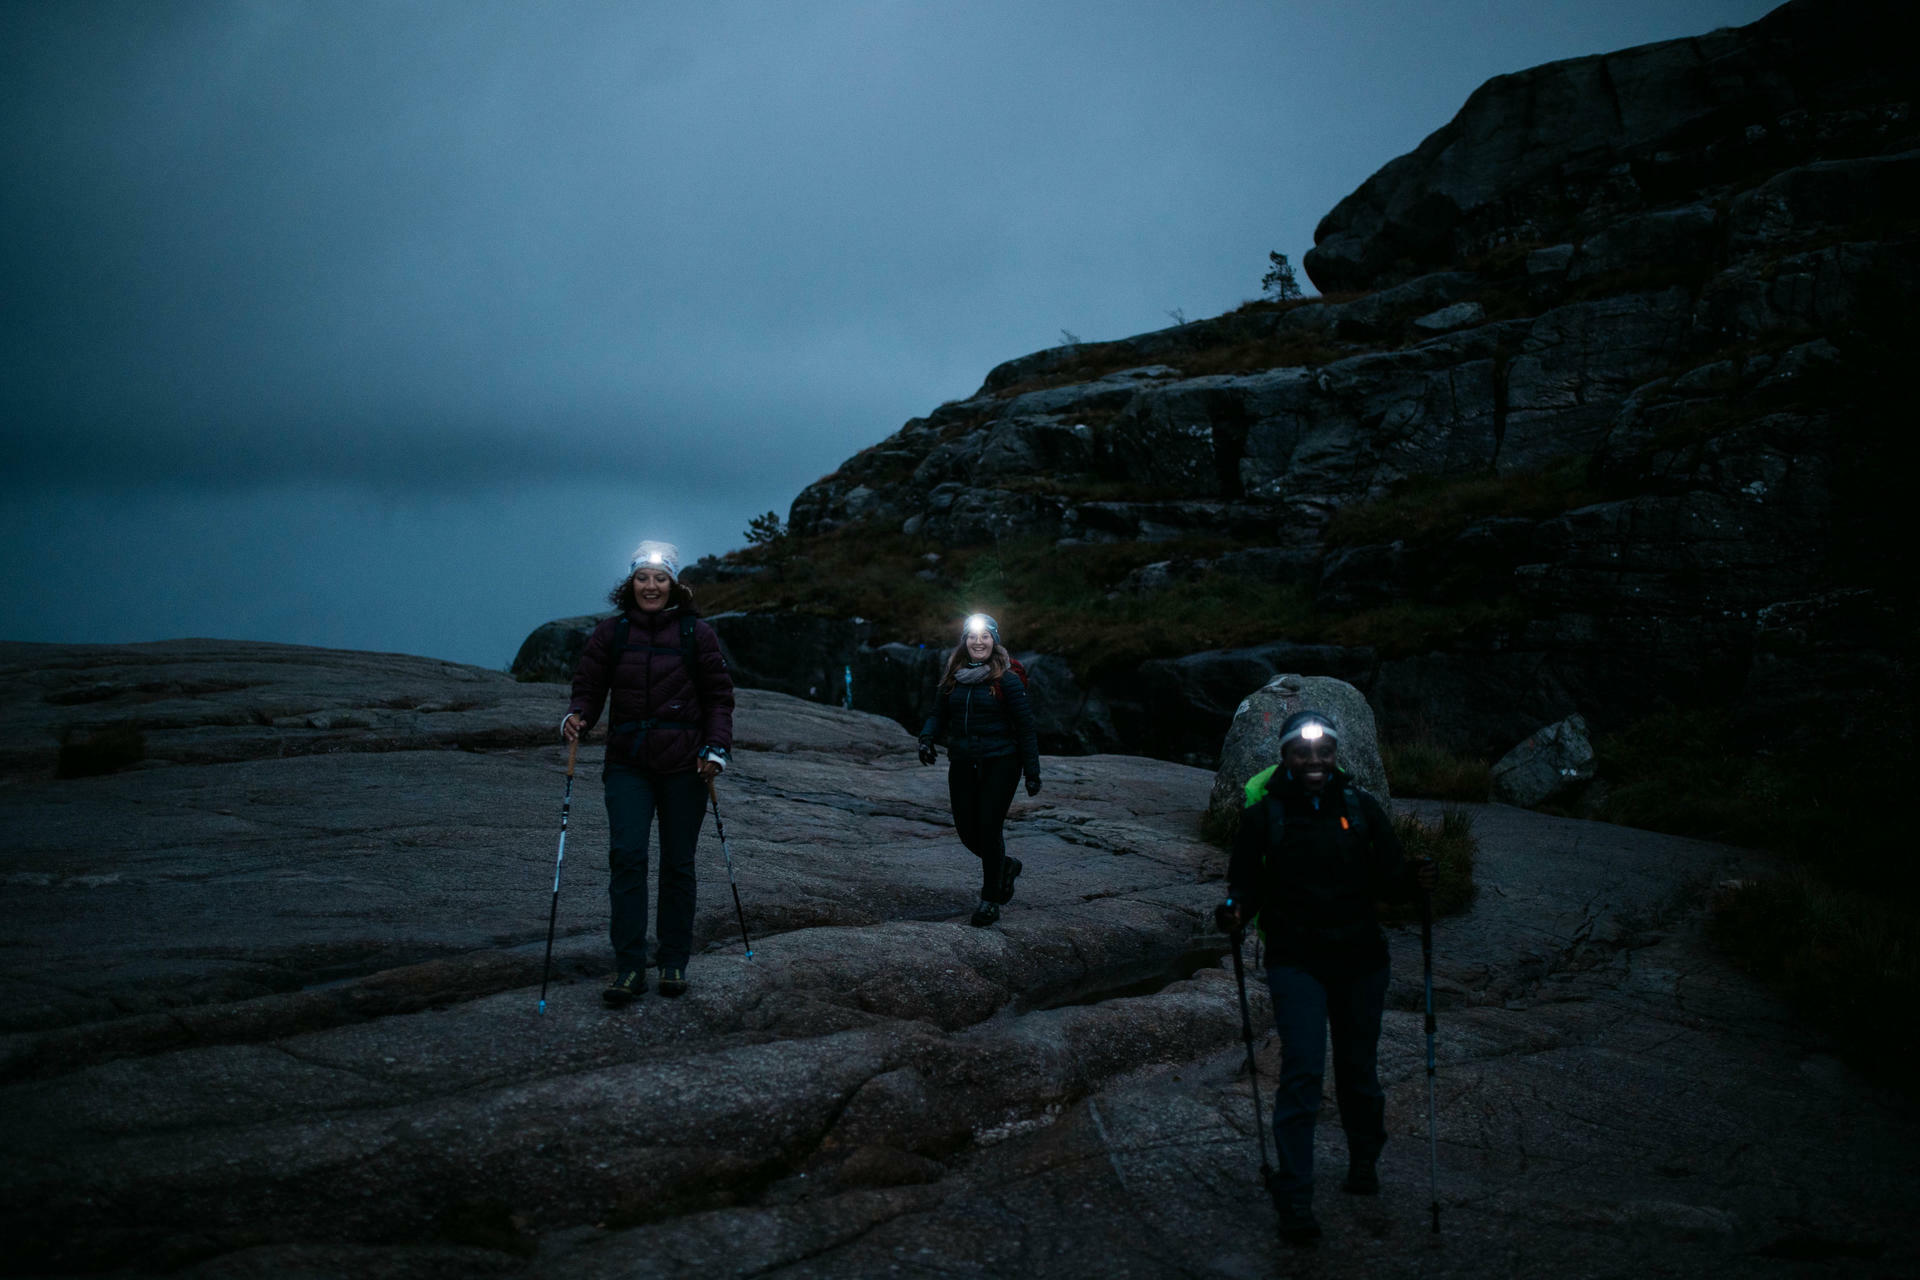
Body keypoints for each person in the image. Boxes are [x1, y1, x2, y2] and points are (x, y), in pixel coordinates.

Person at [1219, 709, 1435, 1246]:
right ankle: (1295, 1197)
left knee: (1358, 1071)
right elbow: (1243, 885)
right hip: (1296, 960)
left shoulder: (1361, 810)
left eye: (1324, 752)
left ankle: (1365, 1159)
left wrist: (1416, 879)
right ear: (1285, 757)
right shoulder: (1263, 816)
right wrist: (1234, 910)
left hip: (1362, 960)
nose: (1314, 762)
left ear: (1334, 755)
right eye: (1303, 752)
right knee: (1302, 1073)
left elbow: (1390, 877)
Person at [563, 541, 734, 1006]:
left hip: (686, 764)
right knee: (627, 857)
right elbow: (589, 687)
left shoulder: (697, 634)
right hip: (628, 764)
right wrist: (578, 715)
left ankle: (673, 960)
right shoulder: (610, 633)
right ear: (631, 582)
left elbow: (719, 697)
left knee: (678, 864)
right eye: (643, 577)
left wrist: (716, 748)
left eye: (660, 578)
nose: (651, 586)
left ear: (674, 584)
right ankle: (629, 967)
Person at [916, 613, 1041, 927]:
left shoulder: (1007, 680)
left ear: (994, 640)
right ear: (965, 641)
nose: (978, 641)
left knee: (988, 827)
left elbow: (1026, 727)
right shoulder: (953, 678)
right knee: (966, 831)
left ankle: (990, 900)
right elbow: (937, 714)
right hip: (962, 761)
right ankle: (1006, 866)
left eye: (985, 636)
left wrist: (1032, 771)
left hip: (1001, 762)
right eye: (972, 636)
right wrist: (927, 738)